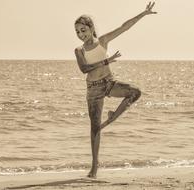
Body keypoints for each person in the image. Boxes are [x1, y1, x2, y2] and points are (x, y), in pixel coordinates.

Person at [74, 2, 157, 178]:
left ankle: (112, 117)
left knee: (135, 92)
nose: (81, 35)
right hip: (93, 89)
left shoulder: (103, 41)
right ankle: (94, 168)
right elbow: (84, 69)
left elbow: (124, 27)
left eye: (83, 30)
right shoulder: (79, 50)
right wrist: (106, 61)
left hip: (109, 83)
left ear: (91, 28)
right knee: (95, 128)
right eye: (78, 32)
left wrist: (142, 14)